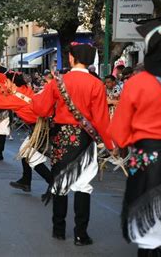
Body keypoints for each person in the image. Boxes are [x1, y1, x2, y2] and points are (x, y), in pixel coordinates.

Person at [109, 16, 161, 257]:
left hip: (147, 162)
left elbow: (118, 131)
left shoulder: (137, 83)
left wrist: (126, 144)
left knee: (148, 235)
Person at [32, 42, 113, 246]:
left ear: (71, 58)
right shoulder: (97, 85)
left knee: (60, 185)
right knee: (83, 186)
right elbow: (102, 120)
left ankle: (58, 230)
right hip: (85, 140)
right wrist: (111, 145)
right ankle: (80, 235)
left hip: (61, 138)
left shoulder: (58, 82)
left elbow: (41, 109)